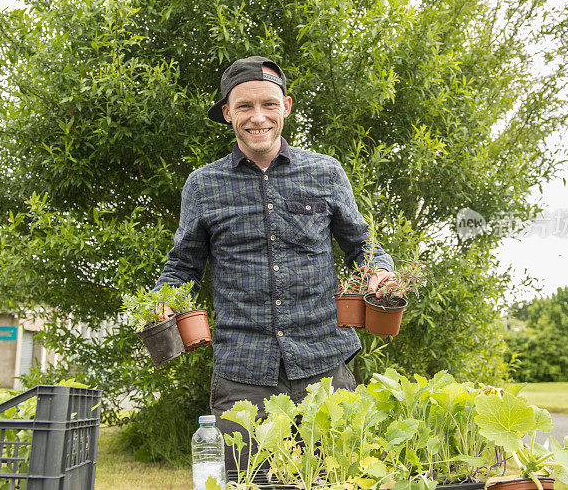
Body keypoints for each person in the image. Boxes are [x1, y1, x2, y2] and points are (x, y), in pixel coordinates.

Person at [153, 55, 394, 470]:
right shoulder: (203, 185)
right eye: (244, 106)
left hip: (324, 364)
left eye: (268, 104)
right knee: (250, 481)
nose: (257, 117)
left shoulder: (325, 172)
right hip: (242, 372)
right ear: (228, 113)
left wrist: (381, 270)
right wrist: (164, 297)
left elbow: (363, 246)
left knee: (335, 477)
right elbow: (182, 267)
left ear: (285, 106)